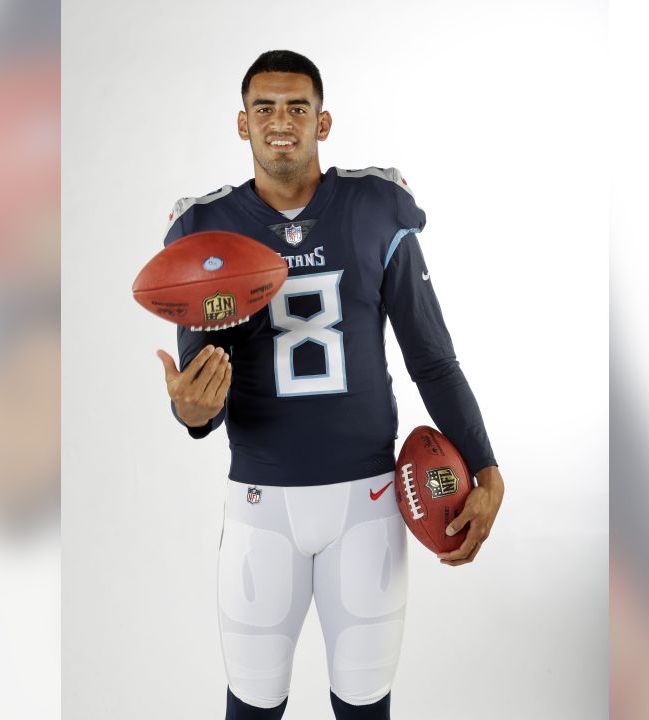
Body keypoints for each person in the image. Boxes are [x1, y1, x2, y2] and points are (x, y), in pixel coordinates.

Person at [155, 50, 505, 720]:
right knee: (251, 710)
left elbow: (430, 358)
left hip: (367, 505)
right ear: (241, 124)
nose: (280, 121)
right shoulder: (205, 229)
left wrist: (485, 464)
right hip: (261, 507)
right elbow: (200, 395)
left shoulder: (375, 207)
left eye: (297, 107)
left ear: (324, 121)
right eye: (265, 108)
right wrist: (190, 412)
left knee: (365, 709)